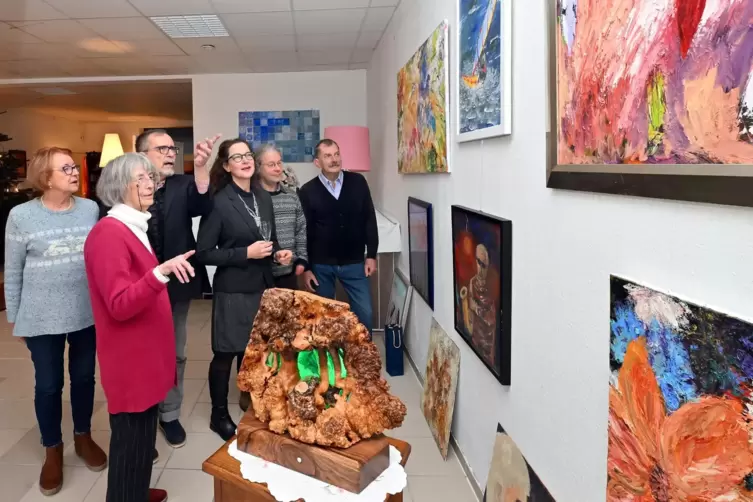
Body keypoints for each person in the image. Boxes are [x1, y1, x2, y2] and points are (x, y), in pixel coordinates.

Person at [85, 153, 197, 502]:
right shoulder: (109, 233)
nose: (151, 184)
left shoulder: (134, 225)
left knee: (141, 443)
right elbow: (119, 304)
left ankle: (136, 490)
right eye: (141, 179)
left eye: (151, 177)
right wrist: (160, 273)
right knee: (129, 446)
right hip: (130, 362)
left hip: (145, 357)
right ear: (121, 186)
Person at [4, 146, 106, 496]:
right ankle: (52, 448)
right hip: (40, 316)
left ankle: (83, 436)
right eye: (65, 169)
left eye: (74, 167)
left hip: (85, 312)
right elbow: (13, 270)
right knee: (48, 384)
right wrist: (16, 317)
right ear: (46, 177)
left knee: (83, 378)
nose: (75, 172)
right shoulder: (21, 216)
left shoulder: (91, 209)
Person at [196, 139, 292, 440]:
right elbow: (204, 253)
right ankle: (218, 414)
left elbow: (269, 237)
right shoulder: (219, 201)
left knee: (254, 351)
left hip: (262, 284)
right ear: (227, 166)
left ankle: (250, 399)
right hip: (233, 289)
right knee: (226, 353)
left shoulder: (262, 196)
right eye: (237, 157)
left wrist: (277, 253)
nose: (245, 161)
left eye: (247, 155)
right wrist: (244, 254)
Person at [134, 129, 216, 448]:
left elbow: (202, 205)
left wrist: (200, 167)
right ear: (142, 154)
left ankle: (169, 414)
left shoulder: (183, 184)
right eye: (162, 148)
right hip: (138, 287)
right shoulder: (127, 188)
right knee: (142, 354)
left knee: (174, 352)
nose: (170, 153)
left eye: (173, 148)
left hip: (176, 284)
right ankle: (141, 417)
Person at [238, 144, 307, 412]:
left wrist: (301, 260)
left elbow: (302, 230)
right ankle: (250, 388)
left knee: (287, 335)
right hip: (259, 277)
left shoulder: (291, 198)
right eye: (271, 164)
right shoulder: (250, 201)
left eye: (280, 163)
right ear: (258, 168)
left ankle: (285, 383)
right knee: (257, 337)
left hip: (288, 277)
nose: (278, 168)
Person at [298, 139, 379, 334]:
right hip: (322, 264)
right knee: (323, 317)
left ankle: (361, 356)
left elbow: (369, 218)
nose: (334, 160)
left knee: (364, 313)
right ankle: (328, 358)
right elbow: (304, 230)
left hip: (354, 262)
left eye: (336, 154)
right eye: (327, 156)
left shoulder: (358, 182)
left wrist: (371, 255)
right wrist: (307, 267)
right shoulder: (307, 191)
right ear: (317, 162)